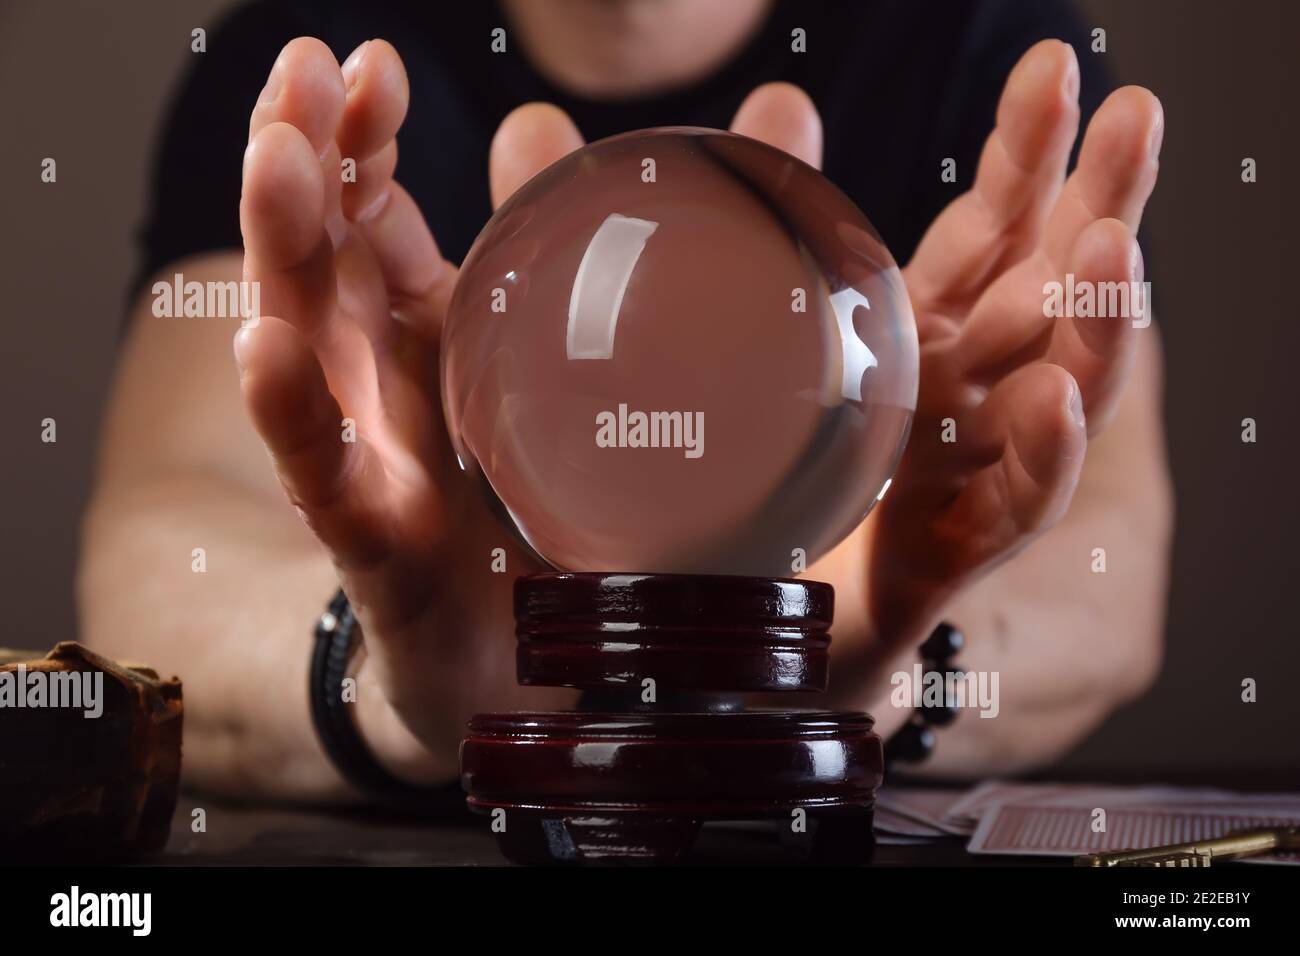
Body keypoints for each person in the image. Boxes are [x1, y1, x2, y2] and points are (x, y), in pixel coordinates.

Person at [79, 0, 1171, 802]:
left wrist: (874, 663)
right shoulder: (309, 54)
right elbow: (159, 549)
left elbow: (1110, 563)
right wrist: (393, 673)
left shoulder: (974, 41)